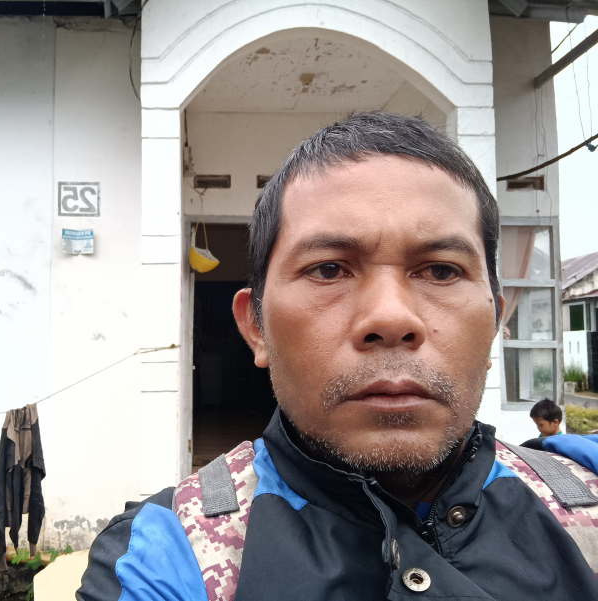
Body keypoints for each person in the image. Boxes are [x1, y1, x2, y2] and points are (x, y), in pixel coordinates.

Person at [77, 112, 598, 600]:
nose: (391, 318)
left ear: (496, 322)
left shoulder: (584, 504)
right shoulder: (168, 554)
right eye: (328, 269)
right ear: (256, 327)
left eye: (441, 270)